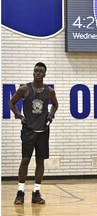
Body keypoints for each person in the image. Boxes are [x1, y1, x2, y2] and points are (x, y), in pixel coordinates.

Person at [9, 62, 58, 205]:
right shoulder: (25, 89)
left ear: (44, 74)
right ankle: (20, 192)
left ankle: (36, 192)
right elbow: (11, 103)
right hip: (28, 131)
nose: (37, 73)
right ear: (33, 72)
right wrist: (20, 116)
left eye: (40, 71)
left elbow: (55, 104)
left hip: (43, 131)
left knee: (40, 161)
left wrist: (51, 114)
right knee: (25, 160)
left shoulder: (49, 91)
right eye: (35, 70)